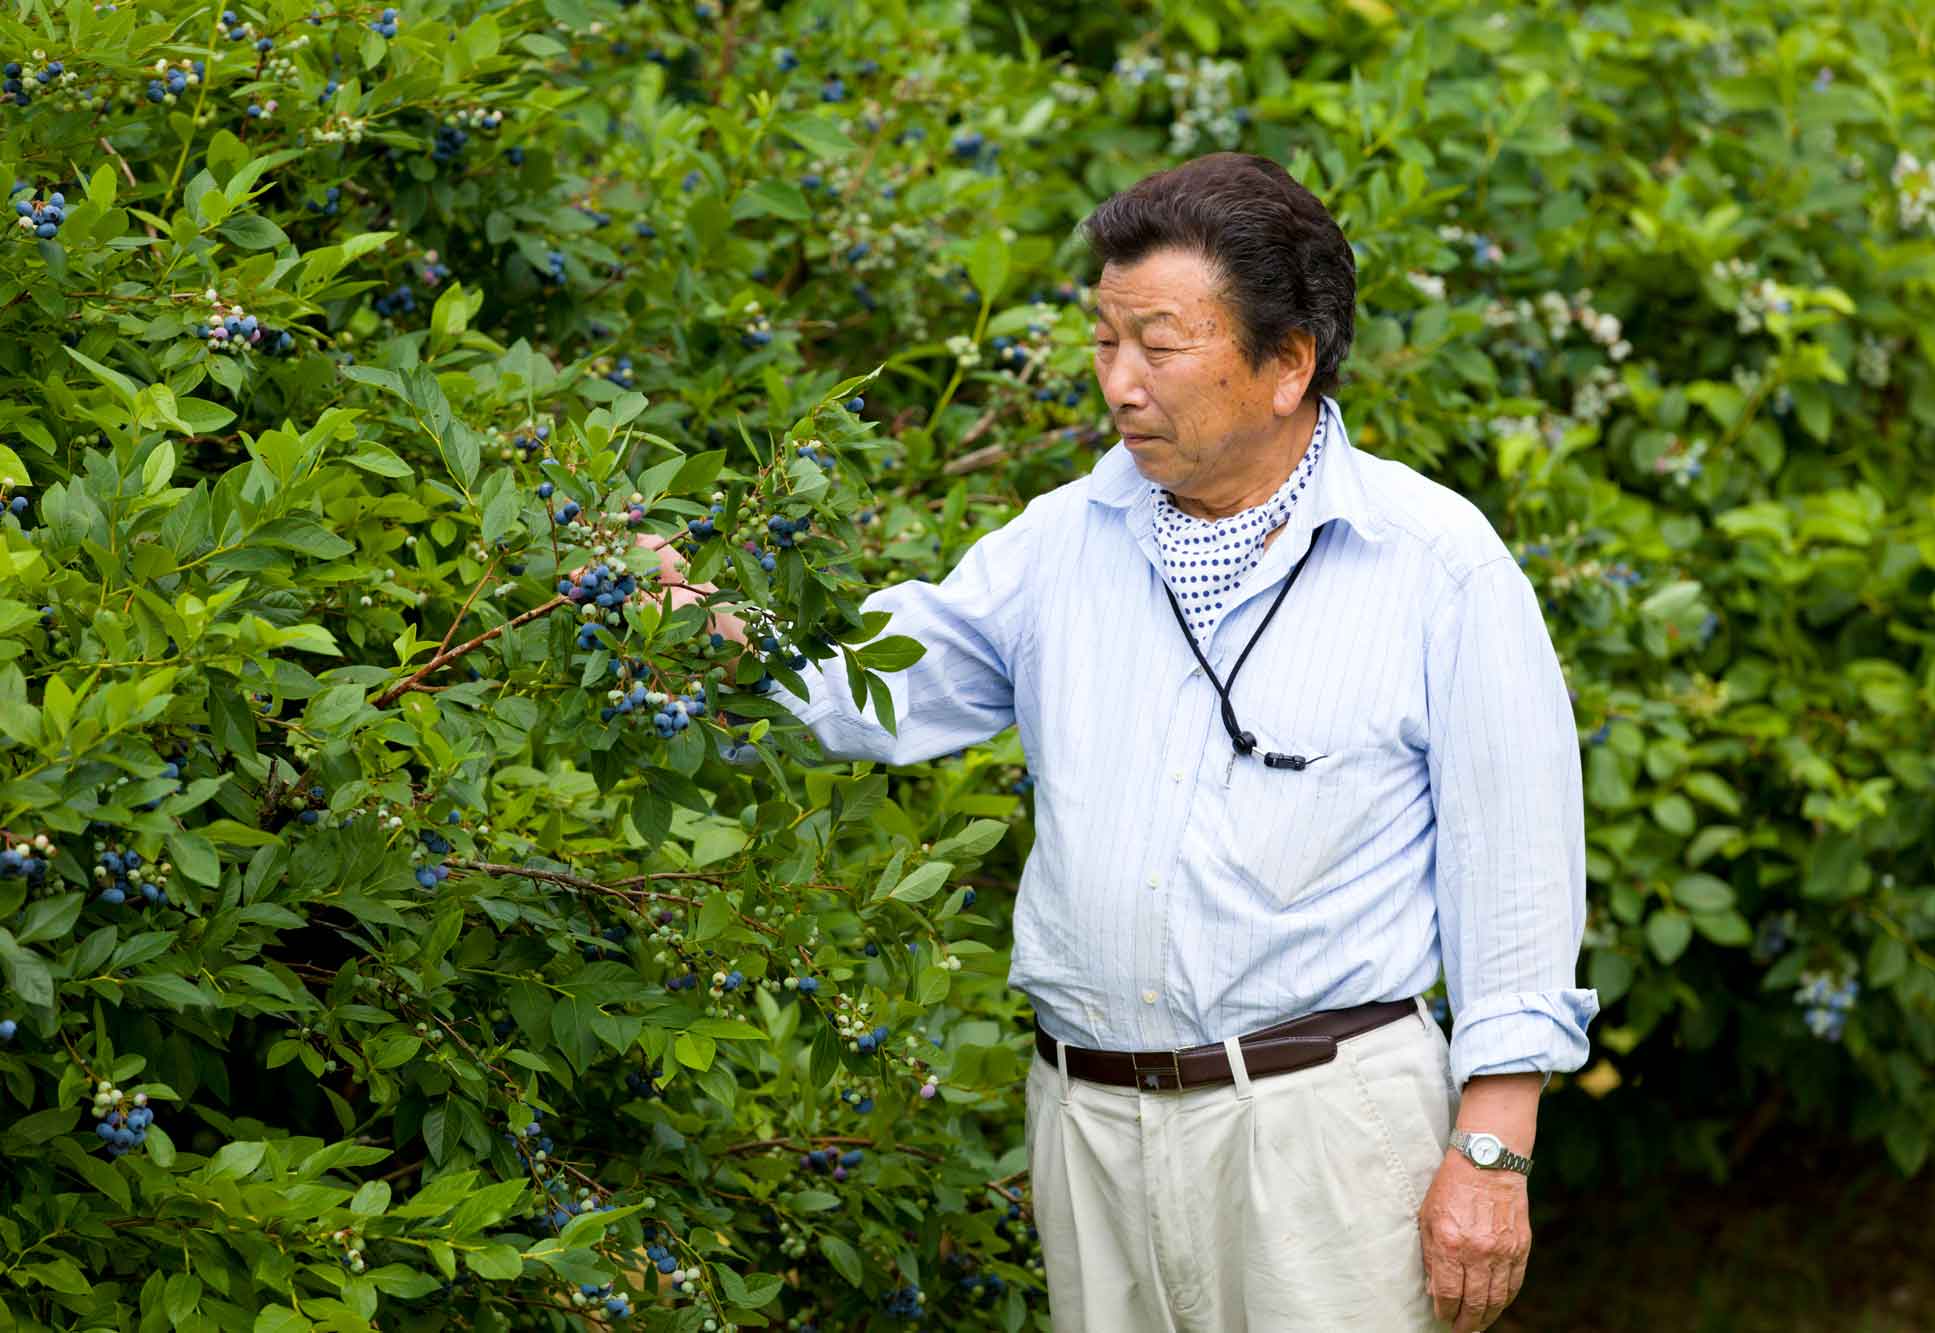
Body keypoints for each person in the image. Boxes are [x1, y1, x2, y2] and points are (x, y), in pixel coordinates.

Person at [644, 152, 1598, 1333]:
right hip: (1089, 1125)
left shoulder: (1433, 563)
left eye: (1159, 344)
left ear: (1288, 363)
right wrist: (690, 622)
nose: (1119, 383)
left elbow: (1517, 874)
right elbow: (864, 682)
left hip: (1324, 1133)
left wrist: (1491, 1152)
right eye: (1104, 340)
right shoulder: (1060, 543)